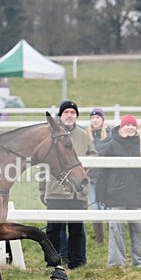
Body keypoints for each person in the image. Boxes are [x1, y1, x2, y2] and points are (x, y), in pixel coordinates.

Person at [41, 100, 97, 269]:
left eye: (73, 112)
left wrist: (83, 173)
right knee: (53, 229)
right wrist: (43, 187)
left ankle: (77, 262)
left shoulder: (84, 136)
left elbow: (93, 156)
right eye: (66, 112)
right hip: (55, 190)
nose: (70, 115)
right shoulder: (51, 136)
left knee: (77, 228)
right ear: (61, 115)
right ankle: (53, 261)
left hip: (77, 192)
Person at [97, 114, 141, 267]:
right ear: (122, 127)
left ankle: (140, 262)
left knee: (138, 229)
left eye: (133, 125)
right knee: (116, 230)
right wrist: (101, 195)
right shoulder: (112, 144)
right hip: (116, 194)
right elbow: (103, 171)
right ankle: (116, 263)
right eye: (128, 125)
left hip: (136, 193)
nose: (131, 128)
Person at [86, 107, 111, 244]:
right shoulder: (86, 136)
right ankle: (99, 239)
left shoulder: (109, 135)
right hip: (92, 178)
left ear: (103, 119)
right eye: (93, 118)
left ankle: (112, 235)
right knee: (95, 207)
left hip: (106, 178)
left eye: (98, 117)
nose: (95, 120)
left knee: (106, 206)